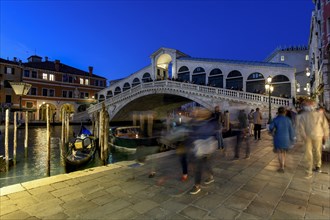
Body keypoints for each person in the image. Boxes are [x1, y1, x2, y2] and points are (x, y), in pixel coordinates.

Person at [188, 107, 218, 195]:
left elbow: (205, 133)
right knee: (204, 164)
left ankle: (197, 186)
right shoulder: (195, 122)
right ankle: (210, 176)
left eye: (197, 112)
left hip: (204, 147)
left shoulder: (207, 123)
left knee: (200, 166)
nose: (195, 113)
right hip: (201, 147)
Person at [296, 101, 329, 177]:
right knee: (315, 151)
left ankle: (311, 168)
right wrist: (325, 134)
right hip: (316, 135)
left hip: (310, 136)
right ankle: (316, 166)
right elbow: (325, 125)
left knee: (310, 152)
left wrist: (302, 136)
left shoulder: (304, 115)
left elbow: (301, 127)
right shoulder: (319, 115)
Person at [269, 107, 295, 173]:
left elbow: (270, 127)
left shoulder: (275, 119)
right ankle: (283, 164)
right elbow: (291, 130)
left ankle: (281, 167)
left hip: (278, 137)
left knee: (279, 153)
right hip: (286, 138)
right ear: (285, 112)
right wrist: (292, 139)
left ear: (278, 112)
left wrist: (272, 131)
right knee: (284, 152)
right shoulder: (288, 120)